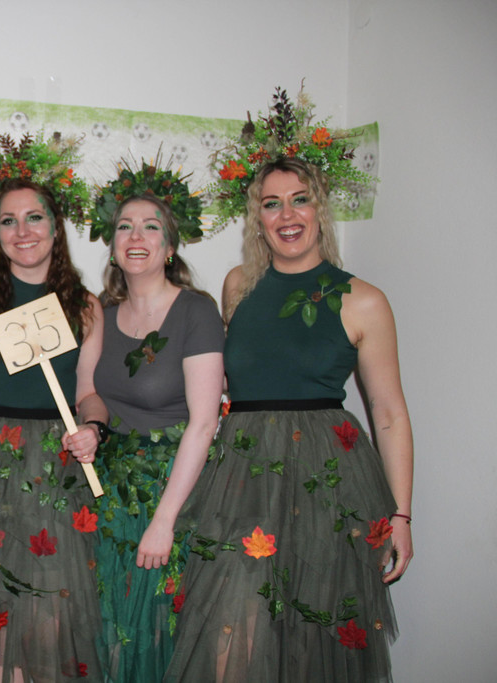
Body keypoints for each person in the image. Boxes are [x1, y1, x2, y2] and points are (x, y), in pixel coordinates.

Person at [167, 89, 410, 682]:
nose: (287, 216)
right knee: (229, 635)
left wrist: (402, 515)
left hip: (328, 477)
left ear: (319, 208)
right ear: (258, 217)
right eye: (271, 204)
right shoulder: (237, 286)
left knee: (313, 641)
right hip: (242, 475)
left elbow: (388, 414)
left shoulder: (364, 300)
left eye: (300, 200)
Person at [0, 120, 105, 681]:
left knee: (42, 616)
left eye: (34, 217)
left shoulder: (84, 305)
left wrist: (93, 429)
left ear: (56, 227)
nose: (22, 231)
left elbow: (88, 391)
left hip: (50, 463)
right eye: (8, 220)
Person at [85, 163, 224, 682]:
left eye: (150, 227)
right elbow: (89, 393)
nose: (136, 237)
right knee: (109, 629)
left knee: (158, 632)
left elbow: (204, 424)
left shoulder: (197, 312)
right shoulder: (100, 312)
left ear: (170, 247)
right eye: (125, 227)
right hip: (107, 491)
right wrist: (90, 428)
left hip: (173, 489)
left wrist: (164, 520)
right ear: (112, 245)